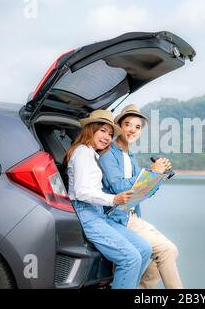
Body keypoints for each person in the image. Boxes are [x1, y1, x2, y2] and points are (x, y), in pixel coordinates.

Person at [65, 109, 152, 289]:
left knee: (144, 249)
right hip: (86, 213)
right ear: (91, 129)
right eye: (103, 130)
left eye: (110, 133)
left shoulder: (93, 153)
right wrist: (114, 199)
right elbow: (81, 192)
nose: (107, 137)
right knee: (130, 258)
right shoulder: (82, 153)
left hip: (99, 214)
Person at [99, 104, 183, 289]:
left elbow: (143, 192)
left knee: (168, 251)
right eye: (128, 124)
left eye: (137, 127)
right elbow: (118, 187)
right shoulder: (108, 155)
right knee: (168, 250)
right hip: (115, 217)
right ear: (119, 126)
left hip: (131, 216)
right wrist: (151, 173)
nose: (133, 130)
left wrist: (159, 175)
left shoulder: (132, 157)